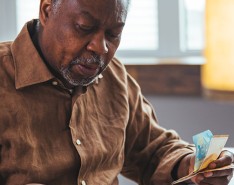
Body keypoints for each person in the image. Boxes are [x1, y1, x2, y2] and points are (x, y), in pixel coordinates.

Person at [0, 0, 233, 184]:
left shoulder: (114, 76)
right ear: (47, 10)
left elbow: (152, 149)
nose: (100, 47)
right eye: (84, 28)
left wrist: (189, 164)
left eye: (113, 34)